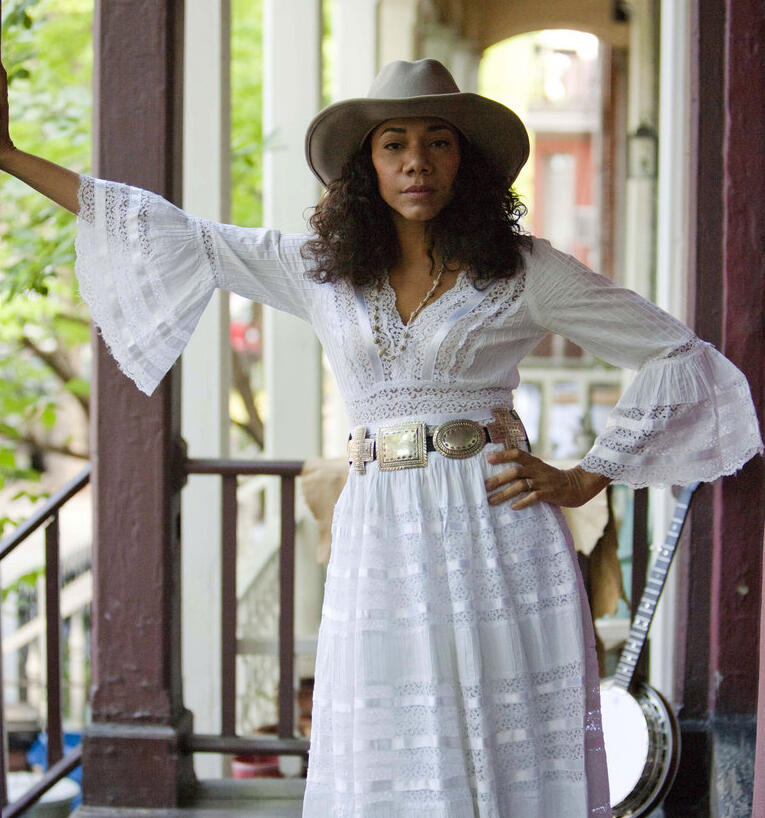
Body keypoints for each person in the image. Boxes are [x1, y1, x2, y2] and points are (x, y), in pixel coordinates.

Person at [1, 56, 761, 818]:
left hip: (495, 525)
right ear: (367, 163)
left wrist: (585, 475)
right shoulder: (319, 270)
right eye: (393, 143)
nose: (415, 163)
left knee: (501, 733)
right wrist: (9, 155)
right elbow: (169, 231)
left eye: (438, 142)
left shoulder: (525, 272)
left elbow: (675, 353)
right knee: (391, 726)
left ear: (466, 161)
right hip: (379, 533)